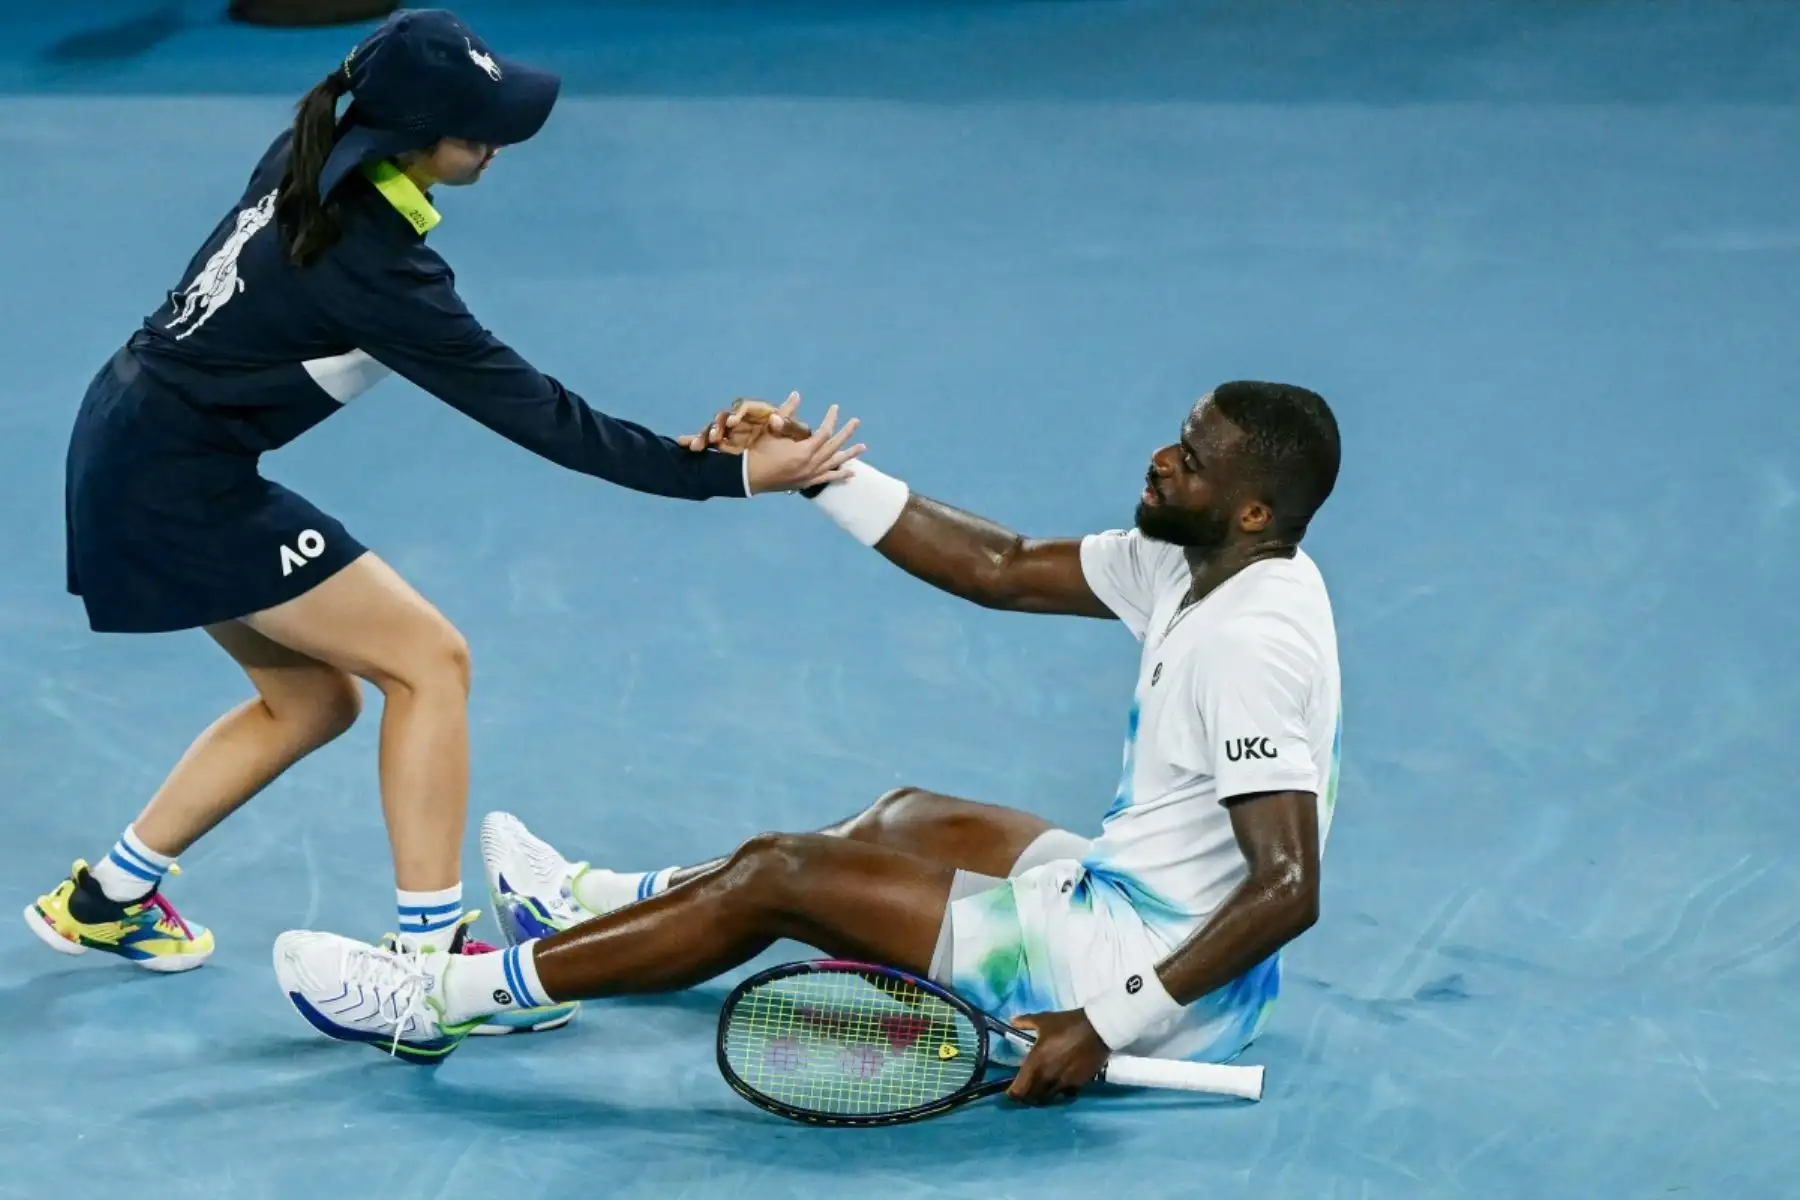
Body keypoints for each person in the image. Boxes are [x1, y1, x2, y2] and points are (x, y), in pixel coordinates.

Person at [24, 7, 861, 1038]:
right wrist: (726, 475)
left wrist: (704, 454)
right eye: (477, 127)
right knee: (430, 662)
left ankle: (104, 899)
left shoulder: (316, 151)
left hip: (132, 446)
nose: (498, 140)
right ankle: (429, 967)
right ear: (409, 136)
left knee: (312, 702)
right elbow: (545, 417)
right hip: (172, 487)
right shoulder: (373, 269)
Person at [271, 381, 1342, 1100]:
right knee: (910, 819)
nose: (1161, 459)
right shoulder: (1199, 561)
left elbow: (1288, 888)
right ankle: (593, 905)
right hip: (1144, 906)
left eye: (1191, 459)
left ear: (1252, 512)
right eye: (1178, 437)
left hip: (1139, 979)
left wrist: (1103, 1024)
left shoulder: (1246, 646)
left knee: (779, 877)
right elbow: (1002, 566)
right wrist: (820, 472)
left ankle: (442, 1001)